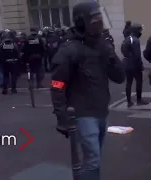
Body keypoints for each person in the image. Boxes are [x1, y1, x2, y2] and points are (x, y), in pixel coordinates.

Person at [50, 2, 125, 180]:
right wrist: (62, 117)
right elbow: (57, 85)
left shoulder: (101, 45)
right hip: (82, 113)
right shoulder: (70, 50)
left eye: (100, 19)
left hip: (101, 110)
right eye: (94, 19)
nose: (99, 23)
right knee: (92, 160)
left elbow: (119, 77)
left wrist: (112, 57)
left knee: (95, 159)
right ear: (82, 22)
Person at [121, 23, 148, 107]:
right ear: (136, 31)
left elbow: (123, 50)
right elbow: (137, 55)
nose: (141, 32)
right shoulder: (135, 40)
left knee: (129, 83)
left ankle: (129, 102)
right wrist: (141, 65)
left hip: (127, 64)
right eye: (140, 30)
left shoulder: (127, 38)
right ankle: (139, 100)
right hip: (134, 65)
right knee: (139, 82)